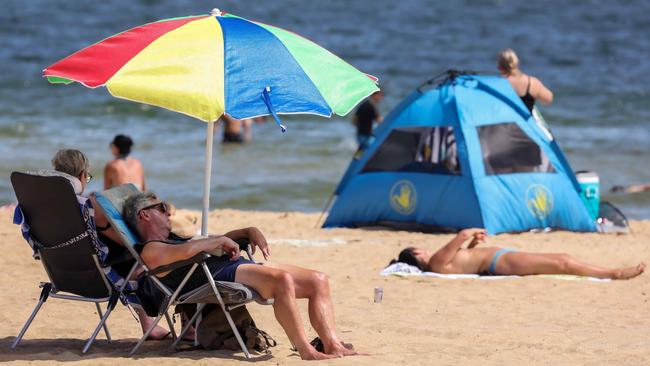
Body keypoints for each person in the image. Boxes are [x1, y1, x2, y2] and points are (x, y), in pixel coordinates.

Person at [123, 191, 359, 360]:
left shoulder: (174, 239)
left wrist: (247, 231)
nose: (168, 212)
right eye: (162, 208)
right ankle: (306, 350)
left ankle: (332, 344)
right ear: (144, 215)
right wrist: (215, 241)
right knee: (282, 281)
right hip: (216, 276)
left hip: (231, 267)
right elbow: (188, 251)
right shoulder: (150, 248)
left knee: (318, 280)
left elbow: (206, 243)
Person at [49, 149, 170, 340]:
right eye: (86, 177)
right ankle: (151, 325)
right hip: (97, 278)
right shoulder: (88, 206)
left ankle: (149, 325)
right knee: (137, 255)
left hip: (62, 274)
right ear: (81, 175)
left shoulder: (47, 206)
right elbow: (130, 243)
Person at [390, 228, 645, 280]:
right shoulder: (434, 261)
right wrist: (470, 233)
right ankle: (614, 273)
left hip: (497, 260)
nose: (423, 248)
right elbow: (461, 235)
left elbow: (463, 259)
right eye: (418, 248)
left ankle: (609, 272)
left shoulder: (440, 264)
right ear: (415, 253)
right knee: (563, 261)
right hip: (499, 261)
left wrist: (472, 245)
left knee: (561, 260)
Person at [498, 49, 553, 113]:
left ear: (501, 67)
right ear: (517, 63)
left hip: (505, 121)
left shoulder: (498, 83)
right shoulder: (532, 83)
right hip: (523, 122)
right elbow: (548, 99)